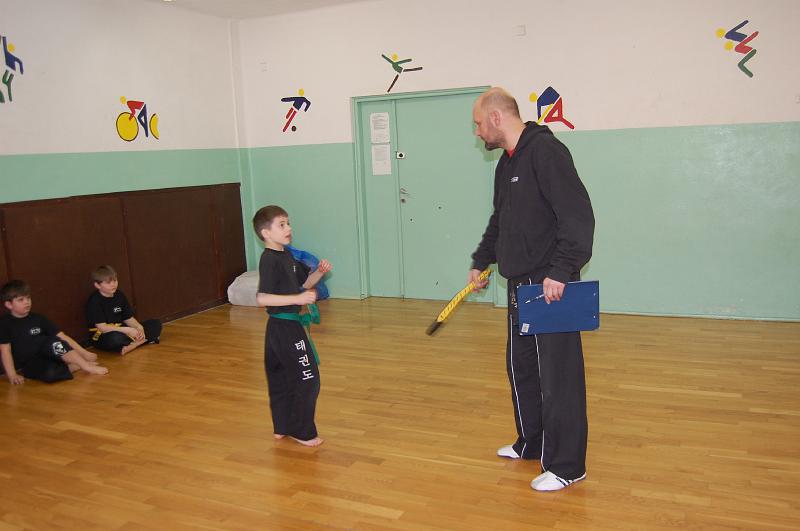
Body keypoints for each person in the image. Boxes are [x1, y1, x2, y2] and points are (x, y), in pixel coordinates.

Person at [469, 87, 595, 492]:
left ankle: (567, 466)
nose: (477, 132)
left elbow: (577, 216)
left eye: (478, 124)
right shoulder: (506, 164)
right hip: (519, 285)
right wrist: (481, 260)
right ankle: (532, 442)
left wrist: (562, 270)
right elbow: (501, 220)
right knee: (521, 367)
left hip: (550, 285)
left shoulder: (546, 152)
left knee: (559, 378)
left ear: (496, 117)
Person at [253, 205, 332, 447]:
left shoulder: (286, 255)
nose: (289, 228)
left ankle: (282, 427)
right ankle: (302, 431)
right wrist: (297, 300)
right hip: (284, 328)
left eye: (288, 223)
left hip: (280, 330)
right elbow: (262, 298)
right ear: (266, 233)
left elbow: (302, 284)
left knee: (281, 377)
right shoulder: (269, 260)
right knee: (308, 379)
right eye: (282, 225)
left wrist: (318, 274)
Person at [1, 280, 108, 384]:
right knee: (51, 374)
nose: (26, 302)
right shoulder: (4, 324)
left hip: (51, 353)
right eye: (21, 300)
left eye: (28, 298)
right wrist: (12, 375)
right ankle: (74, 366)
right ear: (9, 304)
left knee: (54, 342)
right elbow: (5, 350)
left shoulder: (38, 318)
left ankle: (86, 366)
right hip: (31, 363)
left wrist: (84, 353)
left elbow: (62, 337)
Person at [86, 265, 161, 355]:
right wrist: (128, 330)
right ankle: (141, 342)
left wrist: (139, 328)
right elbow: (102, 328)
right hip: (103, 334)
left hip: (122, 329)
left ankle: (132, 345)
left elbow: (128, 318)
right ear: (97, 285)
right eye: (108, 282)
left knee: (155, 324)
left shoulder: (119, 295)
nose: (113, 284)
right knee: (115, 338)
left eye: (115, 280)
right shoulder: (94, 301)